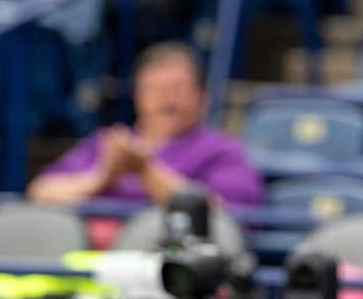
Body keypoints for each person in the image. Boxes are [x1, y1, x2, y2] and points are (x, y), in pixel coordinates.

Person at [28, 42, 264, 207]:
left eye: (176, 89)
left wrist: (146, 170)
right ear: (137, 97)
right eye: (153, 89)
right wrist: (102, 178)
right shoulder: (109, 144)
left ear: (201, 96)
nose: (166, 99)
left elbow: (226, 217)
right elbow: (41, 191)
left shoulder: (222, 150)